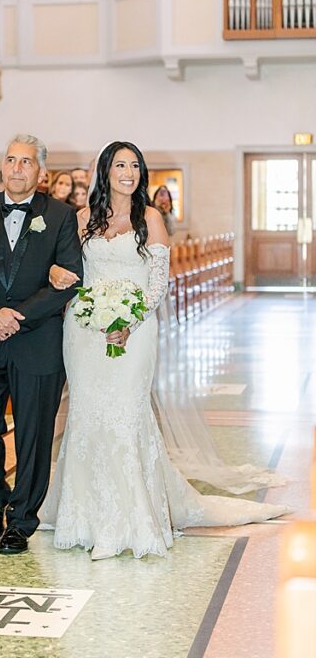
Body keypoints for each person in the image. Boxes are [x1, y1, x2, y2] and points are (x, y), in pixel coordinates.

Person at [41, 141, 287, 559]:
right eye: (120, 164)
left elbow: (158, 284)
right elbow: (66, 269)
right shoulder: (82, 218)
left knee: (124, 415)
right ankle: (84, 517)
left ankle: (127, 521)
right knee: (87, 418)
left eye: (135, 165)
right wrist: (58, 276)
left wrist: (128, 321)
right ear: (105, 171)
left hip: (134, 330)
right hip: (84, 333)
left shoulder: (150, 218)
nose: (128, 172)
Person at [0, 135, 83, 554]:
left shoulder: (61, 216)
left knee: (33, 434)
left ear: (40, 171)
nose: (18, 168)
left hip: (36, 341)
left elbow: (69, 277)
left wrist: (17, 316)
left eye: (27, 162)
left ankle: (22, 518)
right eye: (11, 160)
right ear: (2, 166)